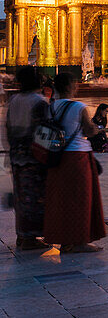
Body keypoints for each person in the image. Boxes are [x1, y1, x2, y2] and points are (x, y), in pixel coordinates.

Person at [42, 71, 107, 253]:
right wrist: (97, 129)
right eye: (75, 83)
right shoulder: (79, 106)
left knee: (62, 199)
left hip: (56, 156)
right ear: (70, 86)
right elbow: (90, 130)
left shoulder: (51, 106)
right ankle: (79, 241)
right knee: (81, 199)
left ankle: (65, 239)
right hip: (77, 156)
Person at [4, 65, 49, 250]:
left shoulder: (14, 99)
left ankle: (22, 235)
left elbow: (7, 127)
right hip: (34, 156)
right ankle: (30, 238)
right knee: (36, 197)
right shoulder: (39, 101)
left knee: (22, 197)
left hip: (17, 154)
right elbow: (44, 130)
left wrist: (12, 149)